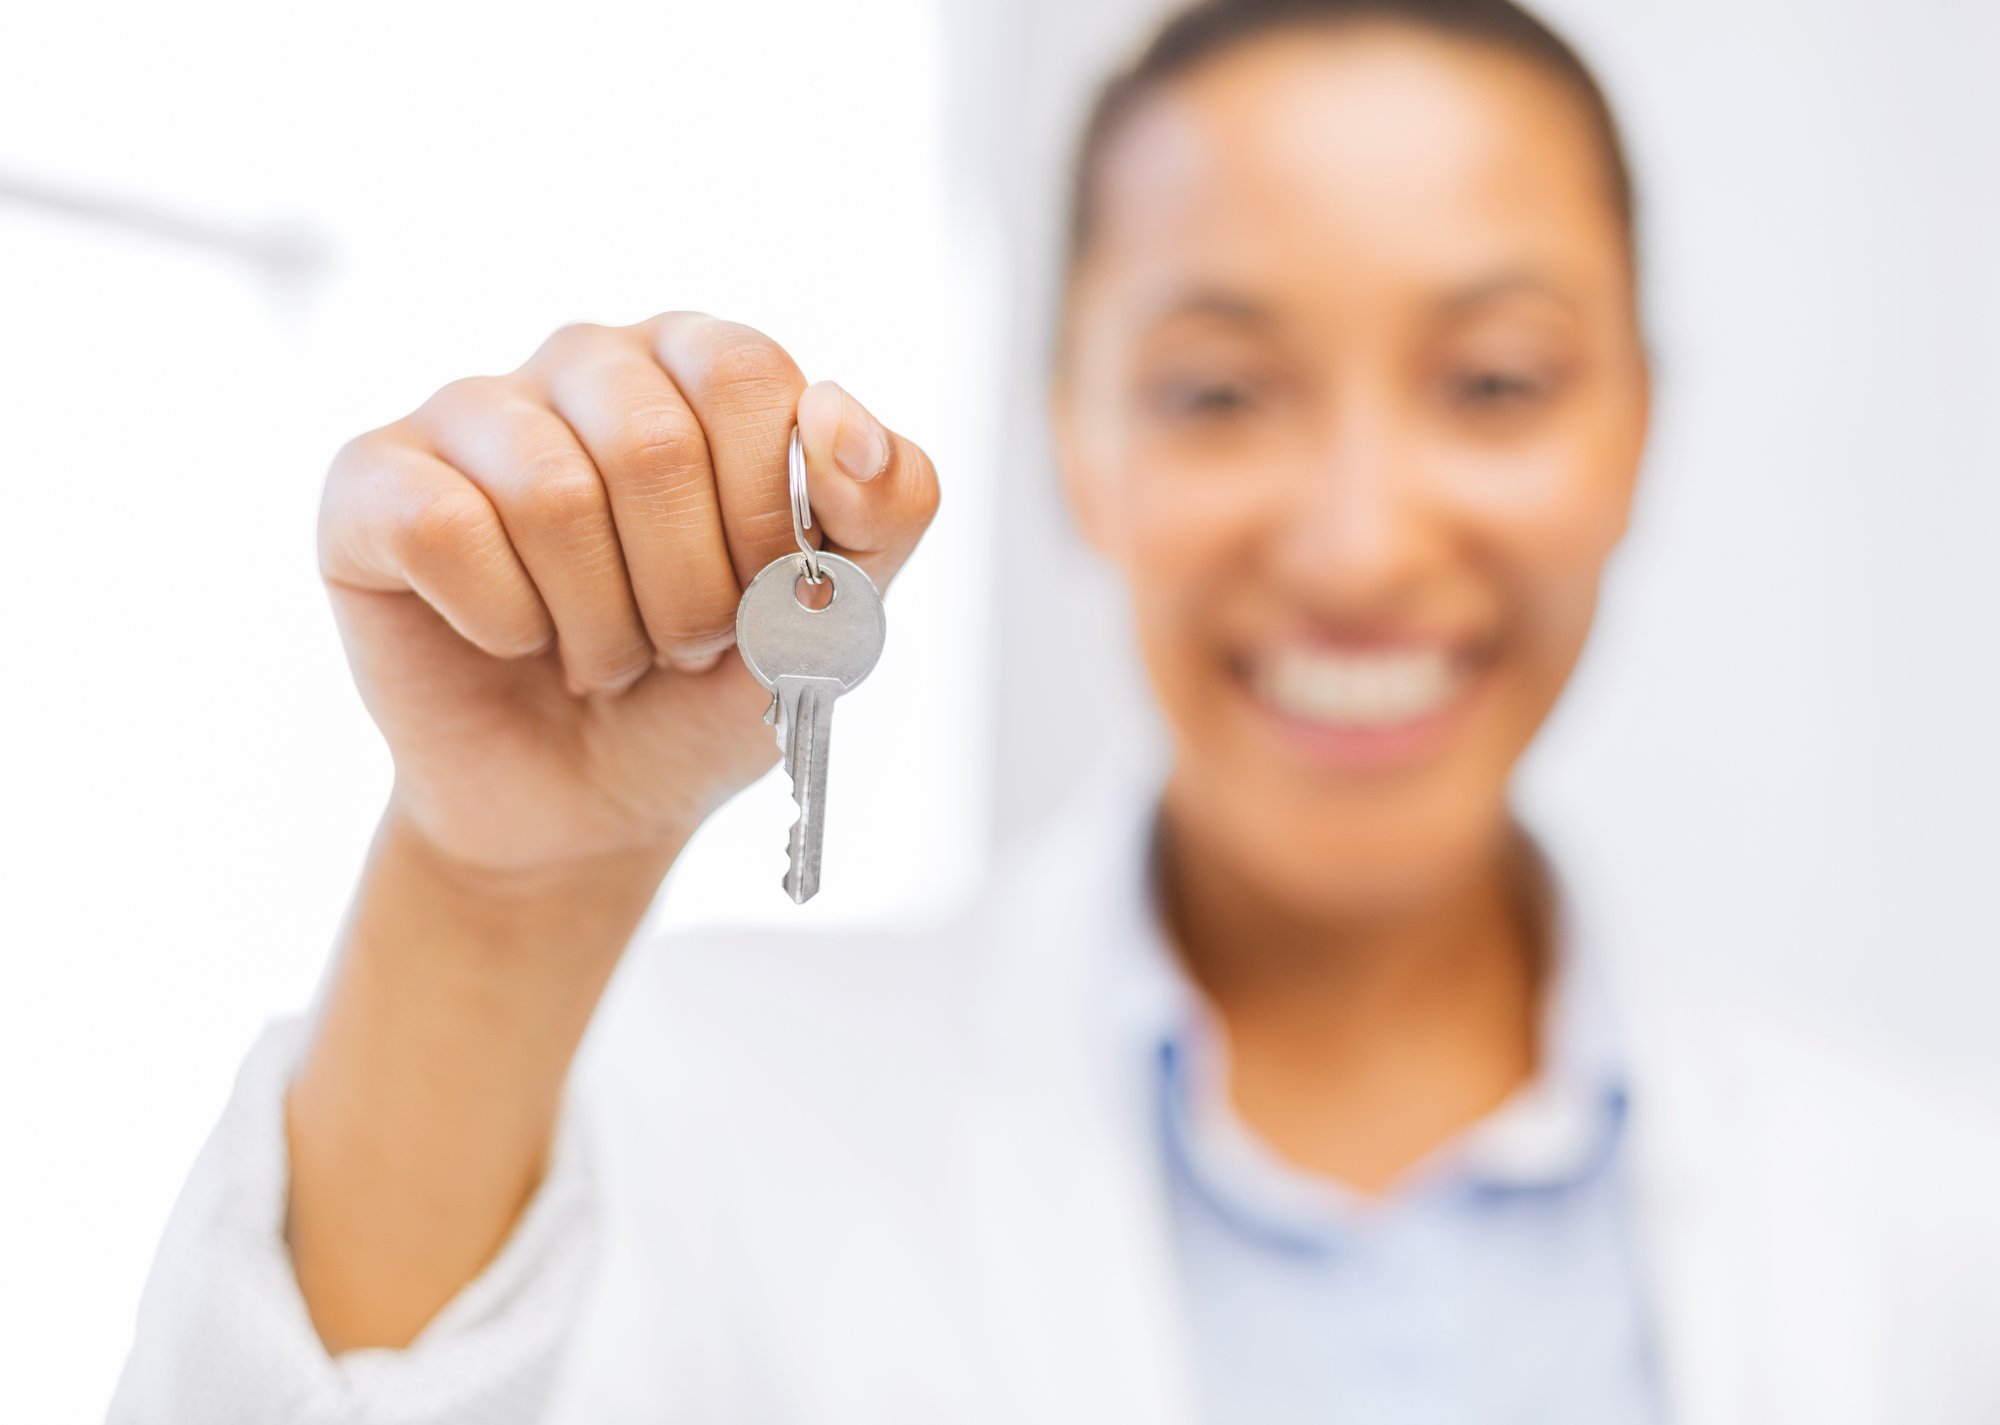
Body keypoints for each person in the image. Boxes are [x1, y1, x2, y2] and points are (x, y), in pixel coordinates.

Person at [111, 1, 2000, 1421]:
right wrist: (496, 893)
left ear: (1639, 429)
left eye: (1495, 382)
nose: (1355, 538)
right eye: (1217, 393)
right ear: (1070, 445)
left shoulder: (1919, 1228)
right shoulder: (661, 1117)